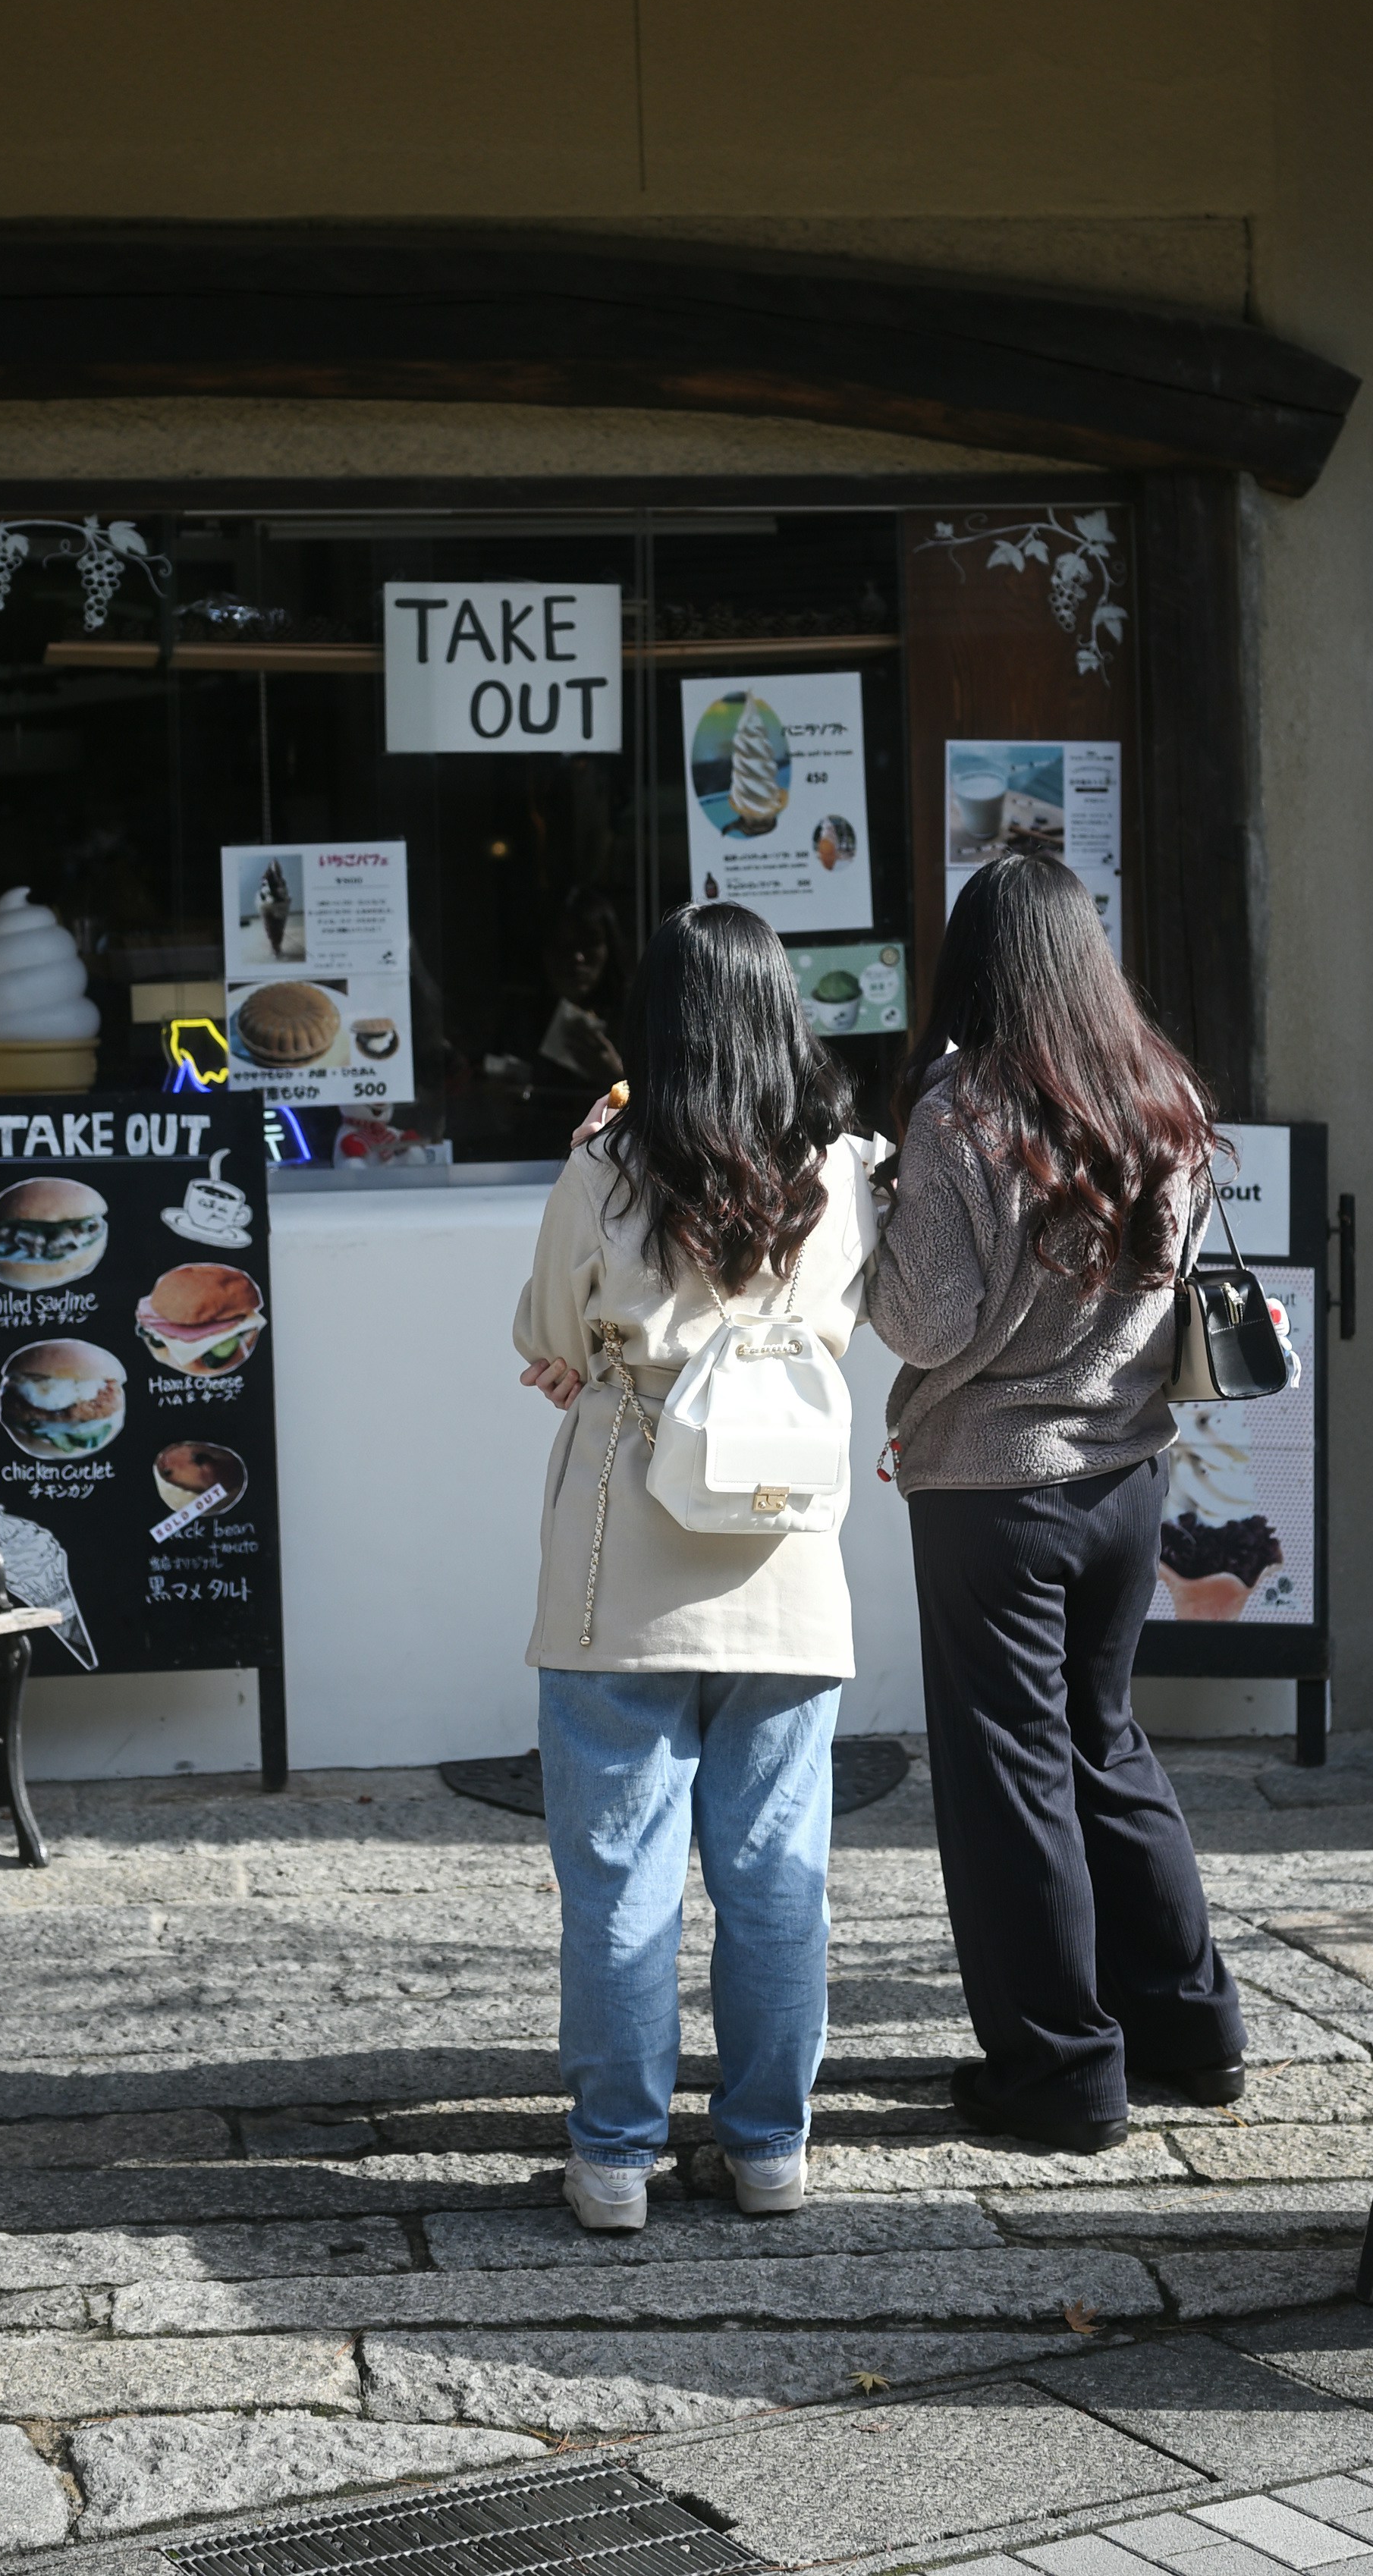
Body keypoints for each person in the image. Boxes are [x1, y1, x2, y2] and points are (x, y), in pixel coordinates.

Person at [508, 900, 891, 2233]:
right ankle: (769, 2148)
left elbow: (546, 1334)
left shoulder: (606, 1166)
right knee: (779, 1874)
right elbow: (864, 1308)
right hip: (786, 1552)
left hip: (624, 1557)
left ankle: (614, 2158)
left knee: (620, 1872)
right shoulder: (841, 1172)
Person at [869, 853, 1241, 2153]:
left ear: (977, 962)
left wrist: (877, 1220)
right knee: (1107, 1740)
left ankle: (1062, 2073)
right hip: (1130, 1474)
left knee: (1009, 1774)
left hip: (993, 1494)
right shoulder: (1164, 1097)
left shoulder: (959, 1114)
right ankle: (1193, 2034)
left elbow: (926, 1316)